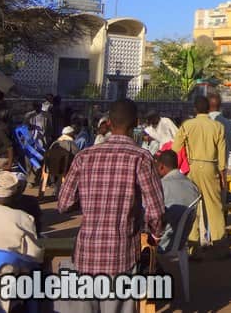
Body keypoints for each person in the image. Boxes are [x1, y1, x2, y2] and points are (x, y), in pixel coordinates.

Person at [57, 98, 164, 312]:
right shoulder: (141, 157)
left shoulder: (84, 157)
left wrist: (90, 199)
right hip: (121, 255)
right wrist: (155, 233)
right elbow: (156, 211)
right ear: (135, 123)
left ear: (109, 122)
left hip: (85, 253)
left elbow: (64, 204)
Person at [173, 96, 228, 253]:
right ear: (209, 109)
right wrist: (223, 176)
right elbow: (222, 156)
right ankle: (220, 246)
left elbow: (176, 148)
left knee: (192, 208)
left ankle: (192, 248)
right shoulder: (218, 126)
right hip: (211, 167)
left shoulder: (187, 125)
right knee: (215, 207)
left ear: (195, 109)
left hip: (192, 168)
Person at [155, 149, 200, 253]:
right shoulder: (192, 186)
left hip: (164, 242)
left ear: (161, 166)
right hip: (182, 240)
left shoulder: (161, 185)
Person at [41, 125, 79, 198]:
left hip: (51, 169)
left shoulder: (54, 143)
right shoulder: (71, 143)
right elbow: (77, 155)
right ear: (71, 134)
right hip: (64, 169)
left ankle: (56, 190)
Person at [207, 93, 231, 166]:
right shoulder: (229, 124)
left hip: (200, 167)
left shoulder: (197, 124)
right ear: (220, 106)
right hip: (222, 167)